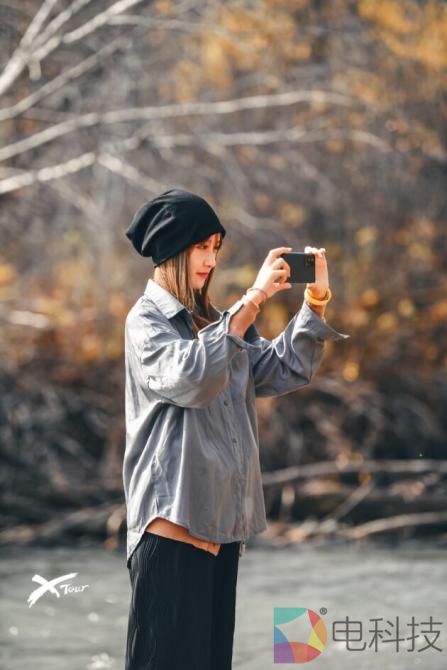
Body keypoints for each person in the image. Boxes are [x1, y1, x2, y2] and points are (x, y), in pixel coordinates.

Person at [122, 189, 349, 670]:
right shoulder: (145, 322)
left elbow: (282, 369)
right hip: (171, 539)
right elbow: (192, 377)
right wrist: (255, 299)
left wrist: (315, 303)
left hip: (222, 536)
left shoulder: (218, 323)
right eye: (200, 248)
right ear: (171, 250)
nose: (210, 260)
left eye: (215, 248)